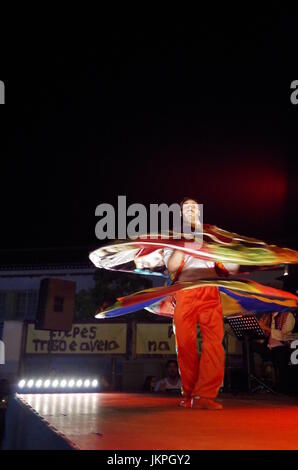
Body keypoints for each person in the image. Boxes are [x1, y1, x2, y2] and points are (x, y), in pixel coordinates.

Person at [164, 198, 238, 410]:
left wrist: (217, 247)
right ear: (180, 214)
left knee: (214, 343)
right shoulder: (172, 237)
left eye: (194, 207)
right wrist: (184, 241)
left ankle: (204, 395)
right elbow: (171, 267)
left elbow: (232, 267)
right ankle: (189, 394)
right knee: (185, 345)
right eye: (186, 207)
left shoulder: (214, 235)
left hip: (209, 290)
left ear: (200, 212)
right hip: (185, 291)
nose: (191, 210)